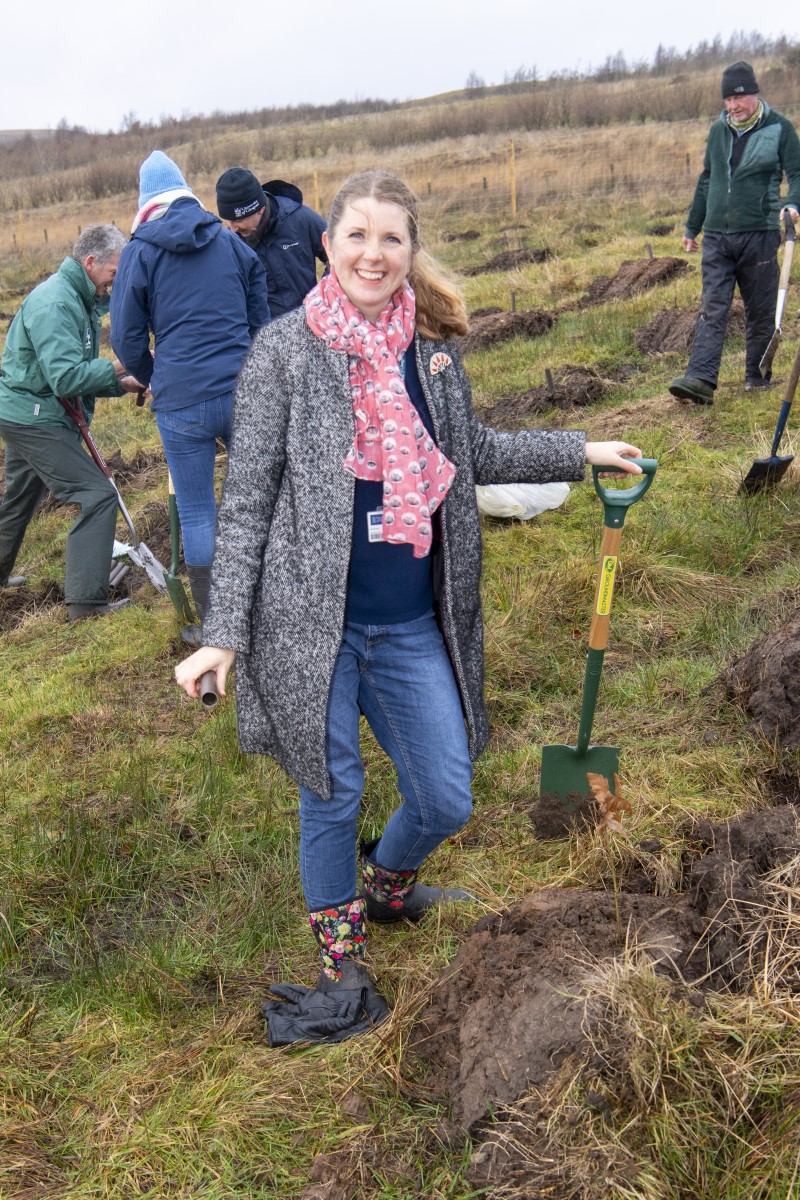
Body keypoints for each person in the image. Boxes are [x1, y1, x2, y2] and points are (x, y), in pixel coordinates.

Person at [175, 170, 643, 1045]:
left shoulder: (429, 353)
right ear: (328, 243)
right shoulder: (283, 352)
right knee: (332, 790)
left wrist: (580, 449)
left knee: (445, 795)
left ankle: (388, 888)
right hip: (307, 625)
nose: (373, 253)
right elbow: (244, 506)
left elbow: (474, 450)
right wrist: (221, 637)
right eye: (357, 234)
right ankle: (340, 969)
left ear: (410, 252)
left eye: (392, 238)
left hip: (405, 620)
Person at [110, 151, 271, 643]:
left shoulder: (139, 251)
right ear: (186, 191)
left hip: (181, 400)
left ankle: (217, 625)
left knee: (200, 509)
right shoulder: (226, 239)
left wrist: (151, 373)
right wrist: (255, 350)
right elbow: (257, 290)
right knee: (257, 495)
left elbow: (125, 336)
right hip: (243, 387)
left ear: (145, 203)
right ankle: (272, 603)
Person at [0, 225, 147, 620]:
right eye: (115, 272)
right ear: (91, 262)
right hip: (35, 418)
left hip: (29, 410)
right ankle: (86, 602)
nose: (117, 281)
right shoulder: (56, 304)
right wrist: (123, 363)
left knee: (20, 499)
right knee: (96, 495)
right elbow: (65, 378)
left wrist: (121, 382)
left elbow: (72, 374)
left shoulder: (78, 298)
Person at [669, 61, 800, 405]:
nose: (733, 106)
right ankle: (700, 379)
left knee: (760, 310)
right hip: (716, 236)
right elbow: (707, 179)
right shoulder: (717, 130)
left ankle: (757, 376)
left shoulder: (780, 128)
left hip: (758, 233)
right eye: (727, 99)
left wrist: (793, 203)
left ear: (755, 94)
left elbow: (797, 174)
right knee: (713, 307)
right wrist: (692, 226)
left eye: (738, 98)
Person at [215, 167, 327, 317]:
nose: (233, 228)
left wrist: (322, 298)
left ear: (259, 209)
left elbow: (341, 255)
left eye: (238, 220)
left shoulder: (300, 219)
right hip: (268, 336)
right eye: (228, 220)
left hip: (313, 324)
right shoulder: (230, 246)